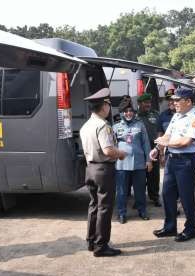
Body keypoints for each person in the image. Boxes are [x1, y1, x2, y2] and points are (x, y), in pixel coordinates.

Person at [150, 88, 195, 242]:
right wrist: (157, 149)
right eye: (173, 100)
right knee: (167, 194)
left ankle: (190, 229)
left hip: (186, 161)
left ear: (188, 101)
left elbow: (185, 142)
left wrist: (165, 142)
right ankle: (170, 227)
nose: (174, 103)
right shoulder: (176, 116)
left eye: (177, 100)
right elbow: (167, 134)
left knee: (186, 197)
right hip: (171, 159)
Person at [80, 88, 126, 257]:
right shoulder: (103, 125)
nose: (109, 107)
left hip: (90, 168)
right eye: (108, 104)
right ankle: (101, 246)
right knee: (104, 208)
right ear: (104, 106)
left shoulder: (86, 125)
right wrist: (121, 153)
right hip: (103, 169)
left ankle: (91, 241)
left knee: (93, 206)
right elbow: (108, 151)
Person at [113, 99, 152, 224]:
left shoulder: (140, 125)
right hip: (122, 164)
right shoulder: (115, 127)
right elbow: (112, 146)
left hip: (139, 163)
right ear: (121, 113)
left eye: (130, 111)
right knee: (122, 190)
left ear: (134, 112)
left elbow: (146, 143)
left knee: (140, 189)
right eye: (126, 111)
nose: (128, 113)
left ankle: (142, 210)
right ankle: (121, 213)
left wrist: (149, 160)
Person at [137, 93, 162, 207]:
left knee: (154, 174)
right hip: (140, 147)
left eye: (149, 102)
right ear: (139, 104)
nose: (148, 104)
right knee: (140, 174)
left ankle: (154, 196)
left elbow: (159, 130)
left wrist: (159, 148)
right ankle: (139, 198)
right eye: (145, 102)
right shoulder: (135, 115)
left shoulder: (156, 114)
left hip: (153, 147)